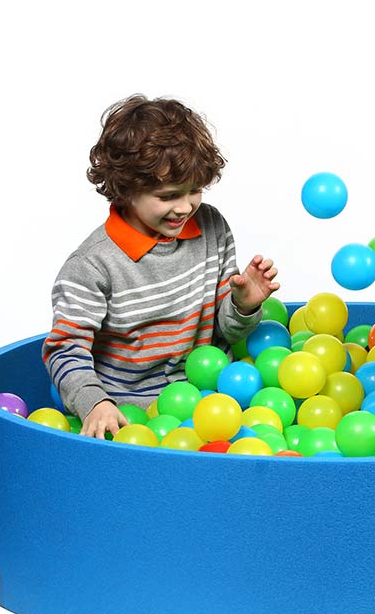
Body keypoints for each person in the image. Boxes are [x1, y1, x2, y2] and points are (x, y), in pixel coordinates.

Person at [42, 94, 279, 439]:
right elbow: (65, 348)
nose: (185, 207)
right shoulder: (93, 265)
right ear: (125, 189)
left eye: (194, 190)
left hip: (217, 403)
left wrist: (243, 305)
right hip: (131, 417)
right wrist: (94, 403)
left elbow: (227, 332)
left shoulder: (212, 227)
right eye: (168, 196)